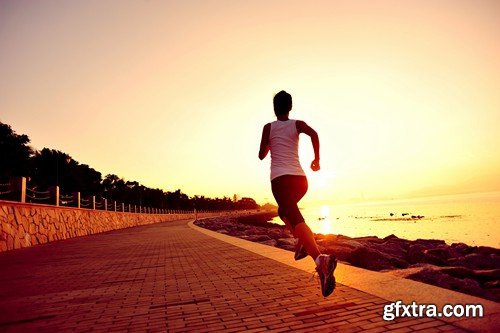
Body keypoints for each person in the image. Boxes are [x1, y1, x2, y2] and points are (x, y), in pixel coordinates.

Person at [258, 90, 337, 297]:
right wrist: (317, 159)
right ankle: (302, 243)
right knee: (284, 212)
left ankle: (321, 260)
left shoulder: (269, 127)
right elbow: (314, 134)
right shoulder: (297, 124)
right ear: (290, 107)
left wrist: (269, 143)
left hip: (280, 180)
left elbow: (261, 155)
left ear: (274, 108)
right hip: (301, 181)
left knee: (291, 214)